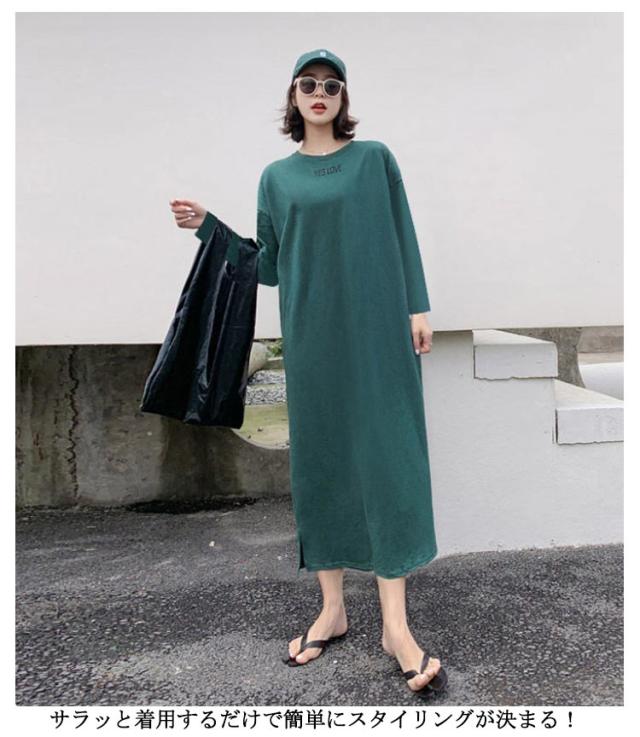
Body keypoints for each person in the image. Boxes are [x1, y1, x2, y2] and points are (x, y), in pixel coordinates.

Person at [169, 49, 447, 697]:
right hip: (312, 336)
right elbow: (266, 265)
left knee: (387, 463)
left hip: (377, 332)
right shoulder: (276, 177)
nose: (320, 92)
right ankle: (332, 609)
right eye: (308, 83)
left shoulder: (374, 159)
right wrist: (209, 229)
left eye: (331, 84)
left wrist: (417, 305)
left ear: (343, 98)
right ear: (293, 97)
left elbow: (403, 231)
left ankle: (396, 627)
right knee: (321, 463)